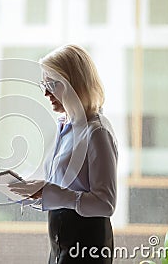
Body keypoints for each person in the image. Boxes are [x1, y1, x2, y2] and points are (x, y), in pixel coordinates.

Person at [10, 45, 118, 263]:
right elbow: (62, 186)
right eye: (44, 84)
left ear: (75, 84)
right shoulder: (65, 125)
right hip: (60, 240)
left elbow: (106, 203)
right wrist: (38, 191)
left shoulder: (97, 132)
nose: (45, 92)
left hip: (87, 244)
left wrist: (49, 190)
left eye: (52, 84)